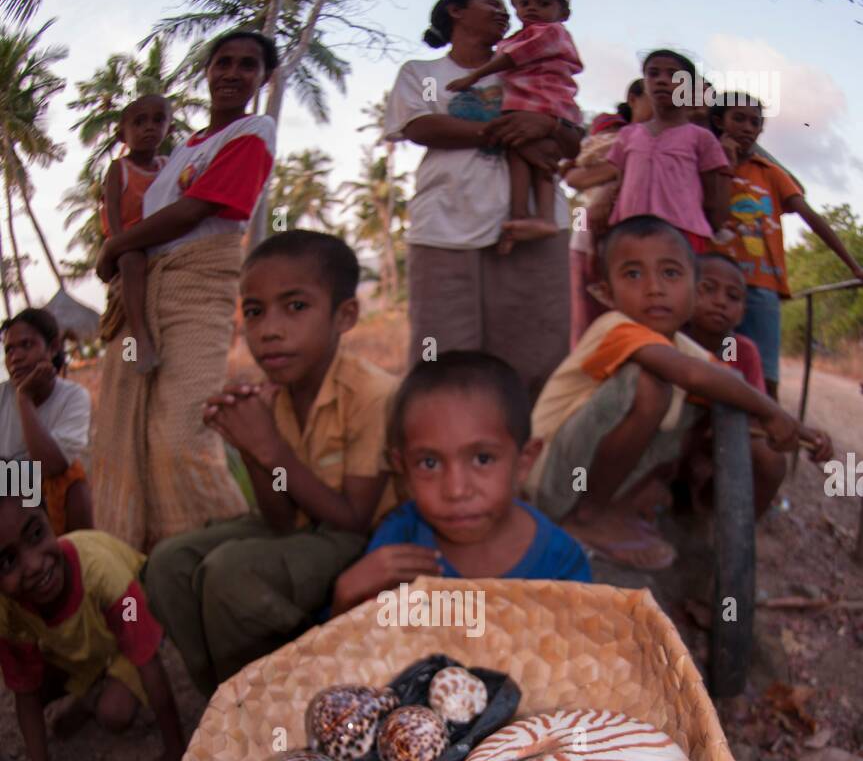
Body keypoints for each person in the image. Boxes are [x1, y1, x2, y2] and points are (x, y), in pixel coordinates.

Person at [145, 231, 397, 697]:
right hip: (301, 527)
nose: (269, 330)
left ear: (344, 316)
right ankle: (222, 697)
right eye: (255, 312)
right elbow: (279, 519)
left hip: (360, 537)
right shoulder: (272, 396)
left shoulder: (371, 395)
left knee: (230, 573)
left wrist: (271, 449)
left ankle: (265, 696)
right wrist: (249, 446)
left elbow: (355, 520)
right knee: (168, 563)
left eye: (295, 306)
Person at [527, 215, 809, 570]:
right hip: (548, 476)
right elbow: (692, 374)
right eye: (633, 274)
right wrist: (773, 413)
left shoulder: (681, 346)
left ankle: (627, 505)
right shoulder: (617, 327)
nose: (654, 288)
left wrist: (800, 432)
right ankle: (588, 517)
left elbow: (722, 383)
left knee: (706, 400)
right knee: (652, 384)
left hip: (577, 475)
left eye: (671, 274)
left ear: (693, 291)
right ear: (606, 294)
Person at [91, 29, 278, 550]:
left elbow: (196, 212)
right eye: (223, 63)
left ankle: (230, 555)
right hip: (147, 293)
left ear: (263, 78)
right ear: (208, 71)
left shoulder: (253, 130)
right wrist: (121, 250)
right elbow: (141, 217)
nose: (233, 74)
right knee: (136, 443)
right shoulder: (184, 152)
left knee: (183, 439)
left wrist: (113, 248)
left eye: (247, 65)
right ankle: (155, 565)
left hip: (196, 289)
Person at [384, 0, 581, 401]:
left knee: (538, 358)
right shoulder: (422, 73)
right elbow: (421, 127)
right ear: (456, 11)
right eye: (492, 4)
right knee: (441, 358)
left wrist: (545, 127)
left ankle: (532, 460)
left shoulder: (535, 66)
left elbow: (572, 141)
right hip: (444, 229)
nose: (506, 13)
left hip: (538, 231)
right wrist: (510, 134)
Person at [332, 350, 591, 614]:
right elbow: (355, 644)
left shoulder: (560, 563)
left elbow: (587, 648)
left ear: (524, 462)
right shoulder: (400, 541)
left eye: (482, 459)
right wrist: (346, 595)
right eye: (429, 463)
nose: (456, 491)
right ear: (403, 469)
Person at [0, 492, 185, 761]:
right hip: (88, 640)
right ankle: (90, 686)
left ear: (49, 516)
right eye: (7, 561)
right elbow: (24, 693)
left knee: (113, 714)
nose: (35, 564)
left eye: (37, 534)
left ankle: (92, 697)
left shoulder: (103, 573)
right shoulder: (8, 610)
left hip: (131, 626)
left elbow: (147, 662)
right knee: (30, 689)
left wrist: (175, 754)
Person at [709, 90, 863, 398]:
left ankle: (768, 440)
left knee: (766, 379)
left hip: (761, 288)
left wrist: (855, 266)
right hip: (717, 288)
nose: (747, 128)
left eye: (755, 122)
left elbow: (812, 218)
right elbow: (715, 216)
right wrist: (725, 162)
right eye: (738, 118)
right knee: (722, 370)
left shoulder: (771, 174)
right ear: (719, 121)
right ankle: (724, 444)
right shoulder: (708, 164)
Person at [685, 251, 831, 514]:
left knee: (771, 461)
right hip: (668, 445)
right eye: (707, 289)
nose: (720, 302)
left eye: (732, 297)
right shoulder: (668, 341)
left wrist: (796, 434)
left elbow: (757, 418)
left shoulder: (743, 351)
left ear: (741, 313)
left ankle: (710, 523)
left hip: (717, 442)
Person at [445, 0, 582, 254]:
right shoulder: (516, 39)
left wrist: (474, 76)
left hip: (546, 101)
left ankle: (543, 216)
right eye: (525, 3)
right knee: (517, 152)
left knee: (543, 156)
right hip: (524, 104)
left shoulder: (550, 32)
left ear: (563, 13)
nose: (532, 9)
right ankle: (518, 218)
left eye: (544, 4)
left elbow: (517, 57)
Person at [588, 49, 730, 252]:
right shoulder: (628, 135)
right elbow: (620, 182)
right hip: (629, 233)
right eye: (653, 74)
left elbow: (713, 198)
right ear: (645, 84)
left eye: (673, 75)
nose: (662, 80)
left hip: (683, 236)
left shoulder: (702, 138)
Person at [563, 79, 652, 343]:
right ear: (634, 100)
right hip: (592, 238)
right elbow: (574, 177)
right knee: (588, 327)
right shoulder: (615, 140)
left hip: (635, 241)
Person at [0, 309, 93, 535]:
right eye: (9, 349)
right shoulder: (1, 396)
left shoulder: (73, 397)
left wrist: (24, 399)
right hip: (8, 497)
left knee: (72, 479)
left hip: (48, 501)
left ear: (52, 349)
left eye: (26, 345)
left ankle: (76, 552)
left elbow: (52, 466)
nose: (15, 357)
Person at [99, 94, 172, 376]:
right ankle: (139, 340)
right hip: (128, 242)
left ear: (169, 127)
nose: (149, 128)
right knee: (132, 262)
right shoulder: (120, 169)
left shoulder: (168, 165)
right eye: (139, 122)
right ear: (122, 134)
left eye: (158, 120)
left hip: (160, 239)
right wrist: (118, 245)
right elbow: (113, 210)